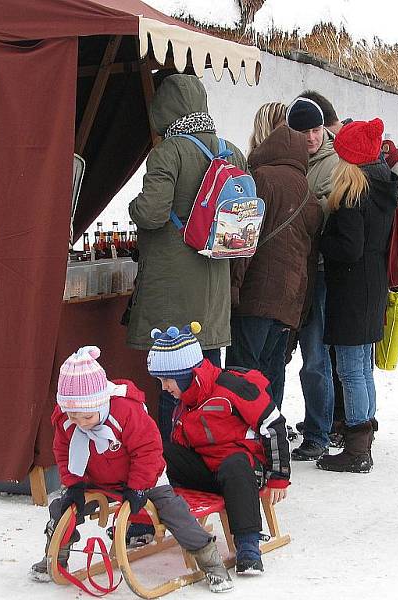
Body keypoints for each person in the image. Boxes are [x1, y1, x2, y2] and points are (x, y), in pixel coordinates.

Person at [30, 346, 232, 592]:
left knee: (173, 510)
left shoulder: (126, 412)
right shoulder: (66, 420)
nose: (80, 424)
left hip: (145, 478)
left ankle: (211, 563)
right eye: (73, 416)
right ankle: (55, 557)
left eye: (87, 417)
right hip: (99, 480)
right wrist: (74, 484)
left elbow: (148, 451)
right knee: (62, 510)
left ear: (101, 401)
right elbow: (64, 452)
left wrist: (138, 487)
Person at [125, 74, 247, 441]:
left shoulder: (169, 151)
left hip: (174, 286)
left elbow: (151, 213)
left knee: (174, 380)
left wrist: (133, 205)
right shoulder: (232, 150)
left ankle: (175, 459)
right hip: (215, 283)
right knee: (209, 377)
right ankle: (210, 448)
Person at [149, 323, 291, 574]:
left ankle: (248, 545)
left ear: (186, 374)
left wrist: (279, 476)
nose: (164, 387)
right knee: (158, 453)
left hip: (243, 473)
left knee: (235, 463)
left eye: (168, 379)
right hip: (206, 471)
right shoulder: (183, 402)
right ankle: (147, 521)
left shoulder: (231, 387)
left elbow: (273, 424)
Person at [315, 118, 398, 473]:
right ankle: (365, 430)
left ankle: (357, 448)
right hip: (372, 286)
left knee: (350, 369)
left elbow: (349, 248)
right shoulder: (382, 186)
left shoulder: (353, 195)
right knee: (362, 367)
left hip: (351, 291)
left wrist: (320, 240)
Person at [228, 125, 324, 409]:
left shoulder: (259, 179)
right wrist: (301, 309)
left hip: (254, 296)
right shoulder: (310, 194)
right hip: (288, 303)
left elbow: (241, 242)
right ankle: (271, 436)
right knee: (272, 371)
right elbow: (309, 257)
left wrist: (233, 287)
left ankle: (239, 437)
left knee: (241, 371)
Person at [284, 96, 341, 461]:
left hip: (318, 270)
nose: (311, 137)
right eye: (303, 130)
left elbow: (330, 209)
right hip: (290, 269)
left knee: (316, 356)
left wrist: (302, 206)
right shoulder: (287, 160)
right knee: (279, 354)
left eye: (316, 129)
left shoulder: (335, 163)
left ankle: (319, 431)